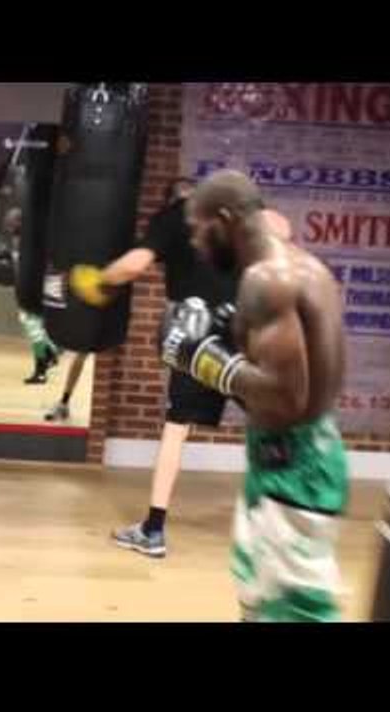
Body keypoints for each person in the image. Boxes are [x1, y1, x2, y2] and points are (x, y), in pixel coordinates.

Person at [164, 168, 348, 622]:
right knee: (256, 597)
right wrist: (231, 333)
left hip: (293, 469)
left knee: (296, 613)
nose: (194, 244)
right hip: (290, 459)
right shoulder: (302, 267)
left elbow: (288, 399)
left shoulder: (267, 281)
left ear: (224, 219)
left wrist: (204, 359)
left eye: (198, 229)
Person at [68, 177, 238, 555]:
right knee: (274, 422)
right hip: (245, 323)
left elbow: (135, 264)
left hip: (198, 332)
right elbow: (279, 229)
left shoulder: (175, 216)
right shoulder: (231, 221)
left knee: (176, 428)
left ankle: (154, 530)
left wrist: (101, 279)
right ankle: (287, 529)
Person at [4, 206, 60, 384]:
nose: (9, 225)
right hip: (23, 289)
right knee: (33, 328)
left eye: (13, 221)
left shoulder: (32, 241)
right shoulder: (15, 241)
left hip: (34, 290)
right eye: (8, 222)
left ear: (22, 223)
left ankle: (43, 367)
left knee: (35, 330)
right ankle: (48, 357)